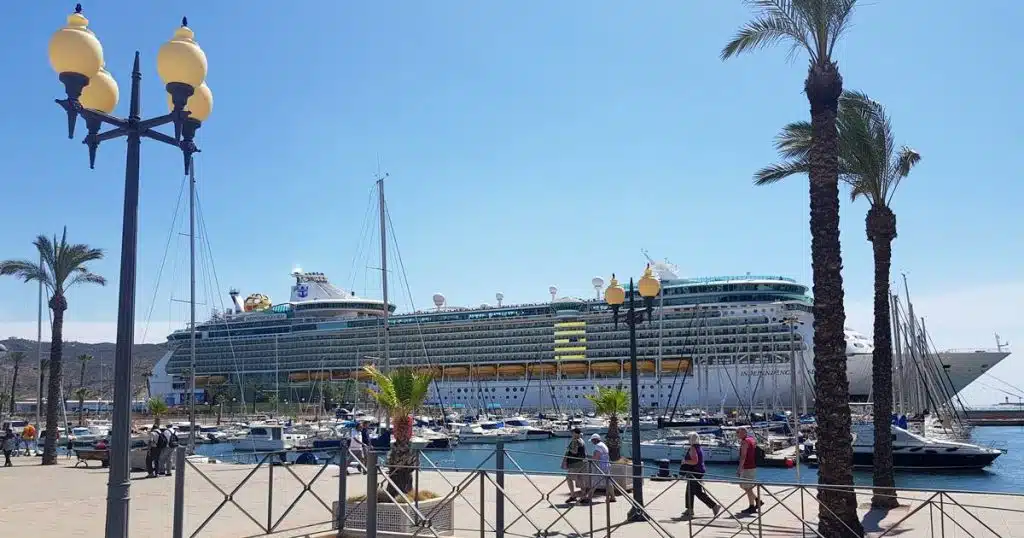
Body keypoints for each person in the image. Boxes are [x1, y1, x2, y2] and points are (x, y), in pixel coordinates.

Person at [679, 432, 719, 520]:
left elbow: (695, 461)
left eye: (688, 438)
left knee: (697, 491)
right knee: (689, 491)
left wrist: (684, 462)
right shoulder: (698, 447)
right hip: (697, 471)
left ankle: (714, 505)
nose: (687, 440)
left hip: (695, 472)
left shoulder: (693, 448)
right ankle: (689, 509)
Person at [735, 427, 762, 514]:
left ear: (743, 433)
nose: (736, 434)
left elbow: (743, 456)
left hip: (747, 467)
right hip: (752, 466)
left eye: (737, 432)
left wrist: (739, 469)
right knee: (747, 486)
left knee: (745, 486)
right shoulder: (751, 439)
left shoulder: (744, 442)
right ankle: (754, 504)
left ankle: (755, 503)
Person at [585, 433, 615, 503]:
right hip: (606, 465)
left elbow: (596, 457)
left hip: (600, 467)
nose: (592, 442)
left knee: (595, 482)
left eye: (592, 440)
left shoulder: (598, 446)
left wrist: (588, 458)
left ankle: (589, 497)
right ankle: (613, 497)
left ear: (595, 440)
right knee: (608, 482)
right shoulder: (603, 445)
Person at [561, 428, 587, 503]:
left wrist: (568, 448)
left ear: (575, 433)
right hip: (582, 462)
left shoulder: (575, 441)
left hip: (575, 463)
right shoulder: (582, 440)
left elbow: (575, 451)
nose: (572, 434)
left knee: (568, 478)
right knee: (580, 479)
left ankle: (573, 495)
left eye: (572, 433)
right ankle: (584, 496)